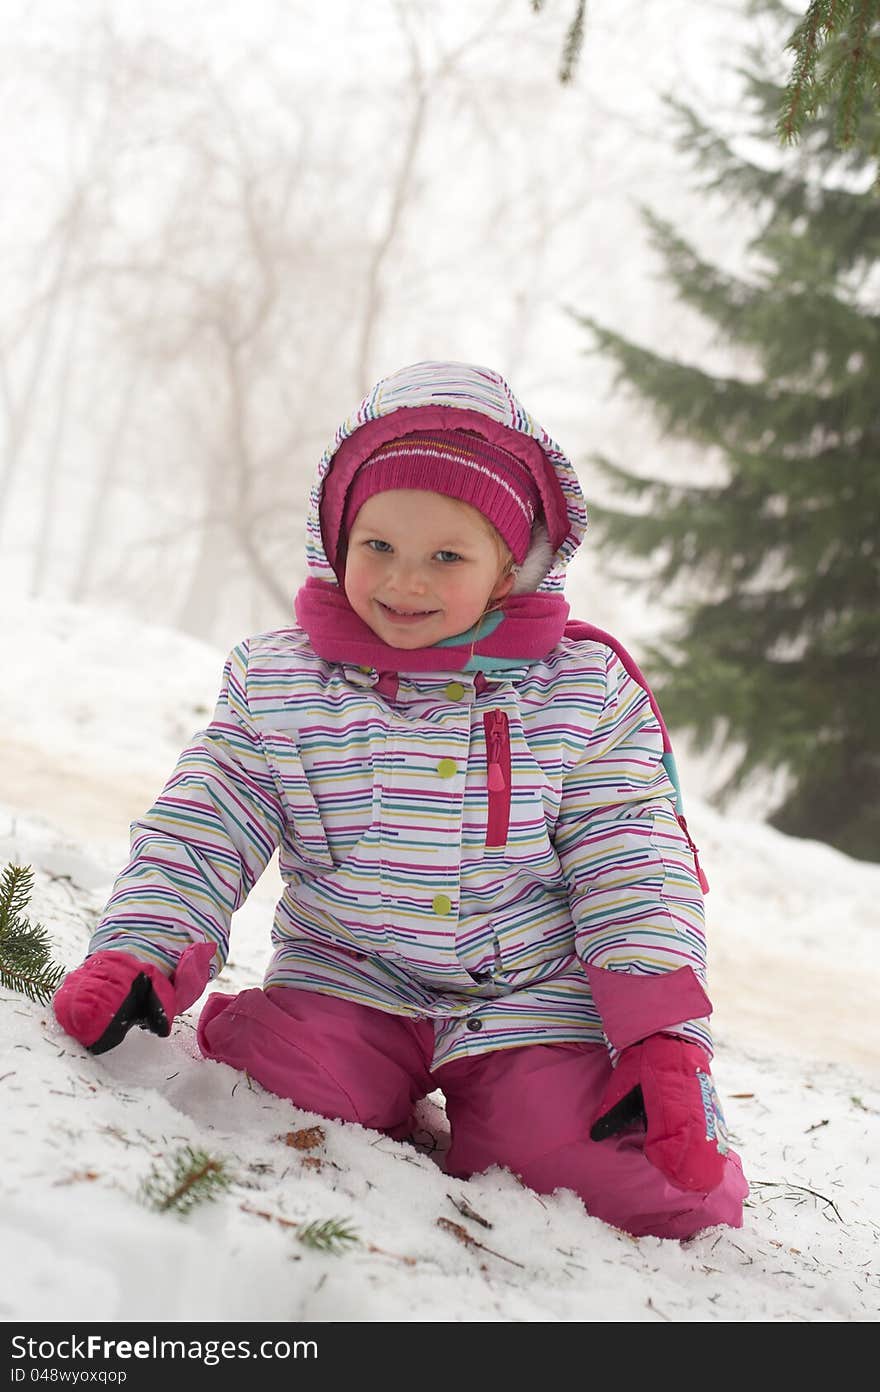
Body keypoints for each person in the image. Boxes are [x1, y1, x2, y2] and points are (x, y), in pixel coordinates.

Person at [53, 359, 748, 1240]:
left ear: (510, 569)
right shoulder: (280, 685)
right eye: (377, 546)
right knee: (270, 1084)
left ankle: (545, 1107)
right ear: (336, 539)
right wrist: (140, 949)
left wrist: (660, 1038)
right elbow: (206, 823)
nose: (403, 581)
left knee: (647, 1186)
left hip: (529, 998)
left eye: (445, 556)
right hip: (348, 977)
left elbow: (633, 862)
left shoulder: (581, 694)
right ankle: (338, 1062)